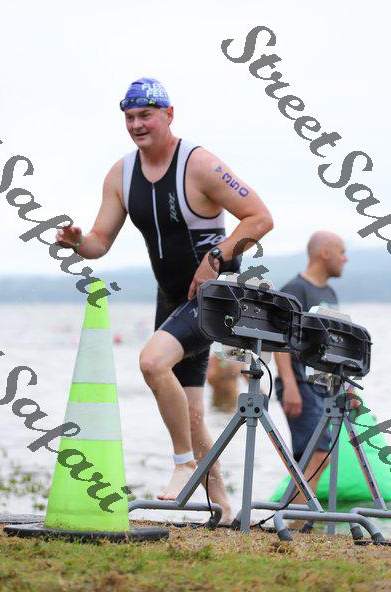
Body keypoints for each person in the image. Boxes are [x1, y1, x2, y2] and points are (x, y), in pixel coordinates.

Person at [55, 77, 273, 522]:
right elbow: (99, 242)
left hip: (213, 295)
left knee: (152, 363)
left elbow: (259, 217)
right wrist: (77, 242)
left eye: (146, 115)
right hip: (172, 297)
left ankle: (183, 464)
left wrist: (217, 255)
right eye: (130, 117)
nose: (137, 124)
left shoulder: (201, 165)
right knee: (191, 413)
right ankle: (224, 507)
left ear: (169, 115)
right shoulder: (121, 174)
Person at [274, 230, 348, 497]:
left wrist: (346, 387)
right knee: (315, 453)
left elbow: (335, 345)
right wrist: (290, 385)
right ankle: (298, 514)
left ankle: (296, 512)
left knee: (319, 455)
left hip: (323, 386)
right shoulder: (295, 290)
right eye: (342, 252)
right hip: (300, 383)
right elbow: (280, 341)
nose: (345, 259)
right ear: (325, 252)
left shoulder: (329, 293)